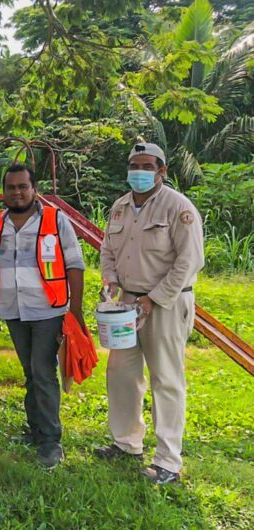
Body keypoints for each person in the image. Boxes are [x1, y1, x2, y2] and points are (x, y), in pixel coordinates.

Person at [95, 143, 204, 484]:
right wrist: (111, 281)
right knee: (122, 374)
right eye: (133, 165)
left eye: (146, 165)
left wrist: (153, 299)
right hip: (127, 304)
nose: (138, 172)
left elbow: (189, 262)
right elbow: (108, 249)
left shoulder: (178, 207)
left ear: (162, 171)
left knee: (166, 379)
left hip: (167, 305)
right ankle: (126, 443)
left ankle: (168, 461)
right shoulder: (120, 207)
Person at [0, 164, 86, 469]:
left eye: (22, 187)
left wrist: (75, 311)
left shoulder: (55, 220)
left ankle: (51, 440)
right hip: (13, 310)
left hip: (48, 310)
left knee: (42, 371)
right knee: (30, 371)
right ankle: (35, 429)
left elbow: (75, 264)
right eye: (11, 188)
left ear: (34, 189)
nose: (16, 193)